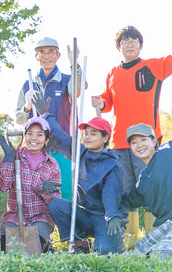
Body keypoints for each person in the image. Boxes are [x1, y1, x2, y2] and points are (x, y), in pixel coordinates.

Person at [91, 25, 172, 236]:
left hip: (146, 143)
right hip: (119, 143)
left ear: (140, 45)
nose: (129, 44)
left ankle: (156, 236)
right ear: (118, 47)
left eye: (133, 40)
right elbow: (108, 101)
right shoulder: (112, 73)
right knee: (125, 192)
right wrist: (101, 100)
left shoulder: (154, 66)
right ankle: (130, 239)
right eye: (125, 41)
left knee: (152, 189)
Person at [32, 92, 126, 253]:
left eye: (93, 134)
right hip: (85, 214)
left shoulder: (113, 166)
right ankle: (80, 241)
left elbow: (111, 196)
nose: (87, 137)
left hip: (105, 218)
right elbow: (60, 137)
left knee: (104, 254)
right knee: (56, 204)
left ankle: (117, 239)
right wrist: (45, 114)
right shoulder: (80, 151)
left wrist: (112, 217)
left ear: (105, 138)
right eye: (86, 133)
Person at [15, 37, 84, 201]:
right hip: (35, 148)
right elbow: (19, 118)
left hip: (62, 147)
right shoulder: (28, 85)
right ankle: (40, 226)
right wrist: (27, 105)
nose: (46, 56)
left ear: (58, 55)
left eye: (51, 52)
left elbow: (77, 91)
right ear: (36, 56)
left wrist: (75, 64)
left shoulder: (67, 80)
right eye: (42, 52)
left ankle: (66, 227)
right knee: (36, 194)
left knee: (65, 192)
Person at [0, 117, 61, 252]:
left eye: (40, 135)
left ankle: (45, 243)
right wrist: (9, 159)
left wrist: (47, 191)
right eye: (30, 133)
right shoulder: (15, 156)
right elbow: (3, 187)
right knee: (5, 249)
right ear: (24, 136)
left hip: (41, 217)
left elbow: (55, 201)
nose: (34, 138)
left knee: (32, 250)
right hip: (14, 215)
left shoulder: (52, 164)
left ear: (46, 140)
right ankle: (45, 246)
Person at [121, 123, 172, 258]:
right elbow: (128, 199)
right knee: (135, 254)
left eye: (143, 140)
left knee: (161, 255)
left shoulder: (167, 150)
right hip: (166, 224)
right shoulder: (142, 180)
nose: (139, 145)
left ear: (154, 141)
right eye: (134, 142)